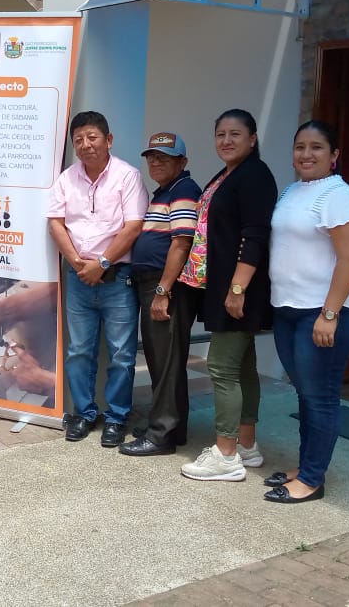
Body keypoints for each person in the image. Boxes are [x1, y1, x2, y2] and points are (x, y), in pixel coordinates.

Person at [263, 121, 349, 504]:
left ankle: (311, 480)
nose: (306, 154)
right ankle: (306, 466)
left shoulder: (341, 197)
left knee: (321, 396)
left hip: (324, 314)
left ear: (334, 155)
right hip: (289, 311)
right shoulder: (292, 191)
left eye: (317, 147)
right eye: (300, 147)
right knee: (306, 394)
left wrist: (330, 314)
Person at [179, 109, 277, 481]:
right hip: (227, 286)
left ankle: (225, 454)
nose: (226, 140)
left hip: (239, 288)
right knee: (243, 368)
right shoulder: (229, 174)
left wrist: (238, 289)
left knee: (220, 367)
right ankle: (246, 446)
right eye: (220, 134)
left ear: (253, 138)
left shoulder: (254, 175)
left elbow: (255, 236)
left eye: (235, 134)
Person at [47, 111, 148, 446]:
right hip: (78, 277)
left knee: (121, 353)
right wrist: (78, 263)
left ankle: (116, 417)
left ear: (109, 140)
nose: (85, 144)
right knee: (78, 350)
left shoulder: (128, 176)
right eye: (79, 140)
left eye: (92, 137)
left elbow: (133, 227)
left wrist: (102, 263)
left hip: (117, 279)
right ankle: (85, 413)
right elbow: (56, 222)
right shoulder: (66, 178)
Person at [119, 132, 201, 456]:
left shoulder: (183, 190)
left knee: (166, 364)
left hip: (166, 286)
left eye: (164, 157)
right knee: (164, 361)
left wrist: (162, 291)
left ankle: (160, 436)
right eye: (151, 157)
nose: (155, 162)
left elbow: (181, 243)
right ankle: (173, 428)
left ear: (182, 162)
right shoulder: (166, 191)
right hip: (156, 283)